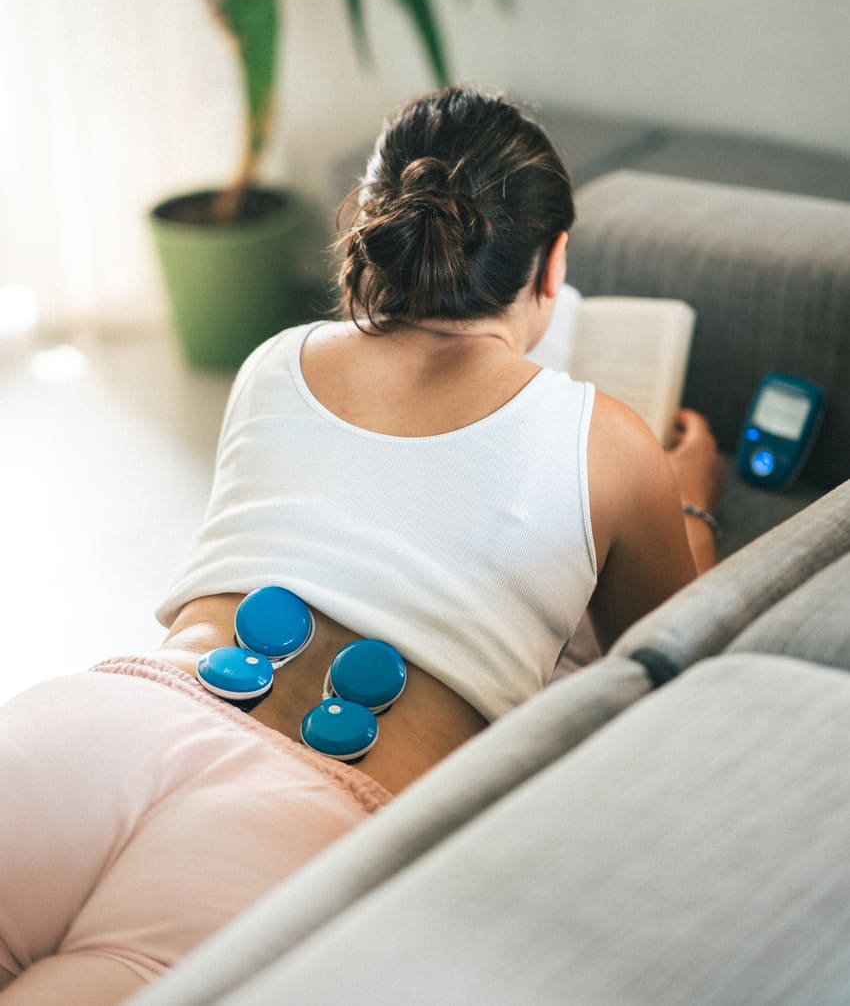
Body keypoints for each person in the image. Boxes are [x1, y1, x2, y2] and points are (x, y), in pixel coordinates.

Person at [0, 87, 723, 1003]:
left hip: (107, 721)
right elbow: (682, 667)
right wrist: (689, 502)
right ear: (552, 269)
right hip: (302, 814)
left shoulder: (277, 360)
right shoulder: (610, 443)